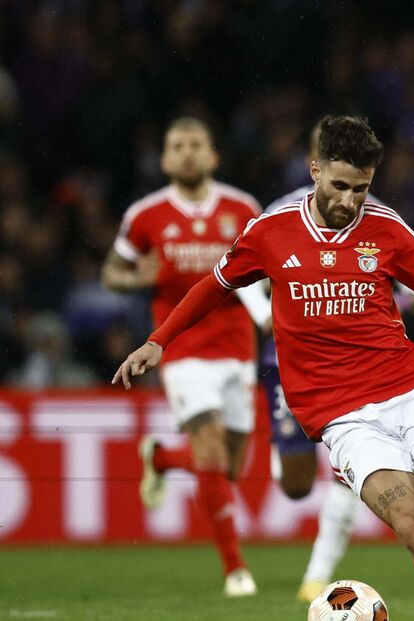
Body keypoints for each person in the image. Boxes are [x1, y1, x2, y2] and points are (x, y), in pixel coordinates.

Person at [113, 115, 414, 621]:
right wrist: (158, 340)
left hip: (408, 386)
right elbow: (214, 286)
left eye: (361, 189)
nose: (348, 201)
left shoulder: (386, 229)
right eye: (339, 186)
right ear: (315, 170)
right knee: (411, 523)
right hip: (339, 414)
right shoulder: (270, 233)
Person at [102, 117, 269, 597]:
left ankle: (161, 457)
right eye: (178, 146)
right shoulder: (146, 215)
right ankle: (236, 570)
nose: (188, 153)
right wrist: (138, 278)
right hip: (182, 348)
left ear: (214, 155)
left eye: (196, 144)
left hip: (238, 347)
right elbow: (111, 272)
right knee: (212, 449)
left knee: (229, 467)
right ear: (165, 160)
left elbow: (265, 271)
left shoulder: (244, 208)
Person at [263, 121, 414, 602]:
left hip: (362, 372)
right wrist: (262, 319)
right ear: (315, 161)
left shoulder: (380, 219)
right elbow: (246, 280)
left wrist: (371, 311)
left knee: (347, 468)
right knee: (294, 483)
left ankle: (316, 574)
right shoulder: (277, 215)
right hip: (292, 364)